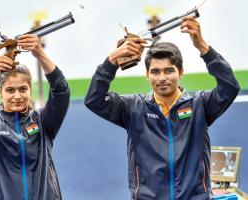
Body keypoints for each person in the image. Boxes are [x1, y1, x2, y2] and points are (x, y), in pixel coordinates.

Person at [84, 16, 240, 199]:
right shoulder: (133, 108)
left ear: (180, 72)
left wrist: (202, 46)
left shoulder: (200, 105)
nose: (162, 77)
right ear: (147, 75)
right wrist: (112, 60)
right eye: (155, 72)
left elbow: (230, 87)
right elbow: (94, 100)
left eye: (169, 70)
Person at [0, 34, 70, 200]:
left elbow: (61, 91)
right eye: (10, 90)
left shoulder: (43, 122)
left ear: (30, 91)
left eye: (23, 89)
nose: (17, 96)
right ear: (0, 92)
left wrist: (40, 53)